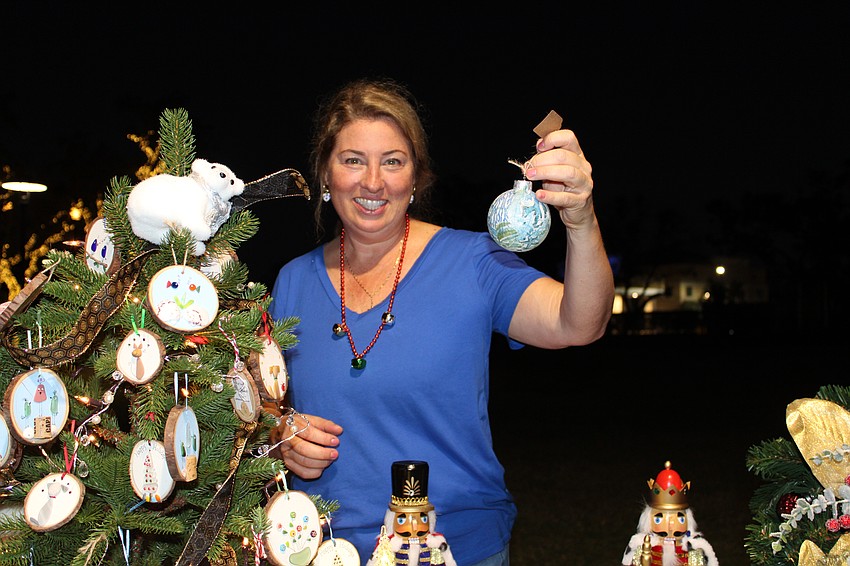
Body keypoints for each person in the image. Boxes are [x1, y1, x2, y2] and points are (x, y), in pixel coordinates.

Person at [268, 77, 614, 565]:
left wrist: (581, 219)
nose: (373, 181)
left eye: (393, 160)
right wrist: (281, 434)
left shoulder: (474, 262)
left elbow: (581, 322)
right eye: (352, 160)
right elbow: (260, 410)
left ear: (416, 177)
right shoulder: (292, 282)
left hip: (458, 545)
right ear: (325, 175)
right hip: (326, 549)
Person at [621, 461, 718, 566]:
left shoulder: (695, 549)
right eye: (659, 519)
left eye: (680, 518)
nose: (670, 525)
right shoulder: (640, 546)